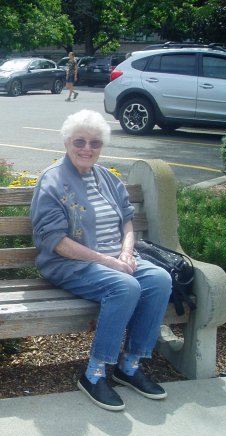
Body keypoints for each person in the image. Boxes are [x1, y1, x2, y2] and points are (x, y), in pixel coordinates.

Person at [29, 110, 172, 411]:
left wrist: (126, 252)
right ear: (67, 142)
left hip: (114, 260)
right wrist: (110, 262)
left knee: (159, 279)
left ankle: (129, 366)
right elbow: (55, 241)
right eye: (79, 141)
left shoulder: (107, 178)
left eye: (95, 143)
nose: (87, 149)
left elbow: (127, 223)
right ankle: (94, 374)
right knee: (125, 287)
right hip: (70, 263)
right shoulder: (53, 181)